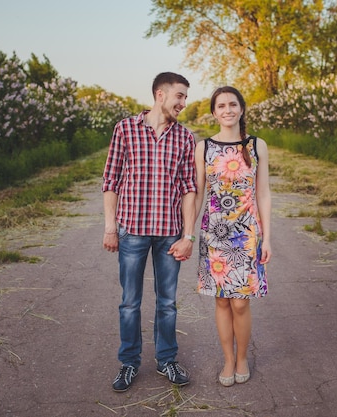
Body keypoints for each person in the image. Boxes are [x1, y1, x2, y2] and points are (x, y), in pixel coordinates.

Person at [102, 72, 197, 392]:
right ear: (160, 94)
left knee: (167, 302)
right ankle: (129, 363)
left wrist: (188, 235)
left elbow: (188, 188)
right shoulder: (125, 129)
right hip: (132, 233)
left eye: (186, 97)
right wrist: (110, 227)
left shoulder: (185, 137)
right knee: (130, 302)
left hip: (169, 234)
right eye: (180, 96)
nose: (184, 102)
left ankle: (166, 359)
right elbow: (110, 181)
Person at [194, 86, 271, 387]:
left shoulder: (256, 146)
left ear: (241, 109)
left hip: (247, 234)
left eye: (232, 104)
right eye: (221, 106)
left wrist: (269, 238)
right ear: (214, 113)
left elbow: (263, 194)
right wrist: (188, 233)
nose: (227, 110)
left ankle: (243, 358)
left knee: (240, 302)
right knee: (222, 302)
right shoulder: (204, 147)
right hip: (214, 234)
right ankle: (228, 359)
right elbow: (198, 194)